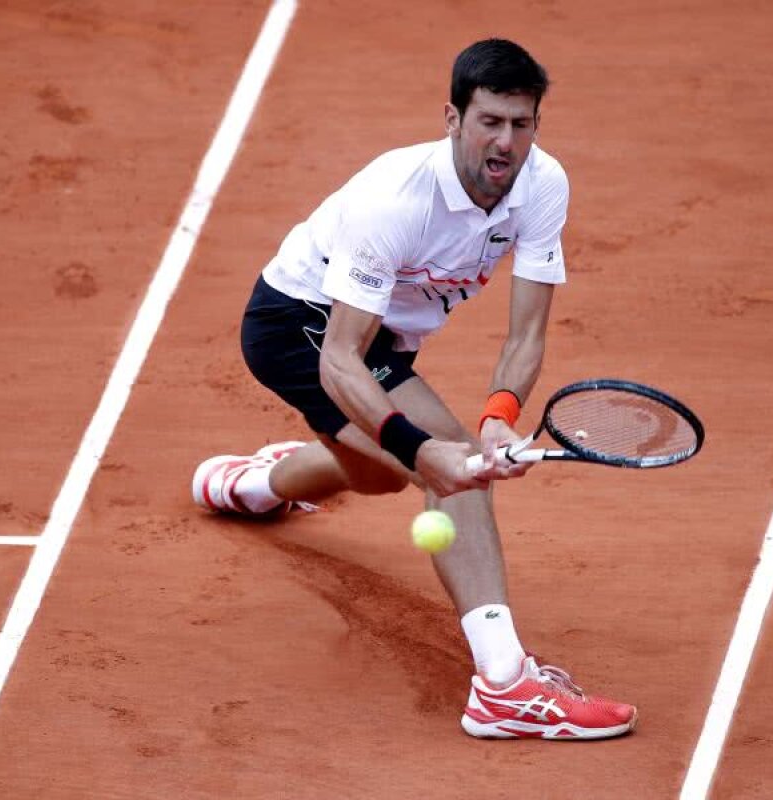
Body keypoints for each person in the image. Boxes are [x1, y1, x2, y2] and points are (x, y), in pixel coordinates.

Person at [192, 38, 636, 740]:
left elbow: (525, 336)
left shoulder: (542, 184)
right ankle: (504, 687)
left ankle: (257, 487)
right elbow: (341, 359)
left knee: (379, 478)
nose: (506, 141)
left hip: (381, 340)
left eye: (521, 124)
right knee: (451, 470)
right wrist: (423, 445)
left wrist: (499, 416)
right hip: (301, 324)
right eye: (490, 121)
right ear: (453, 119)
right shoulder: (395, 200)